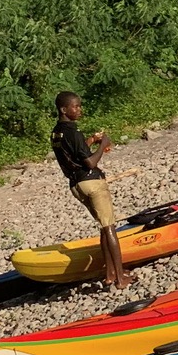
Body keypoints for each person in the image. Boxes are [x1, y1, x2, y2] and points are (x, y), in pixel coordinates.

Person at [53, 90, 132, 290]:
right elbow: (89, 162)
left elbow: (76, 152)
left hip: (76, 186)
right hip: (92, 182)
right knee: (109, 226)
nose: (79, 110)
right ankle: (120, 278)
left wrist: (90, 141)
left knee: (103, 226)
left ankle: (110, 274)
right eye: (75, 106)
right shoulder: (73, 131)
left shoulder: (57, 133)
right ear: (64, 109)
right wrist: (103, 145)